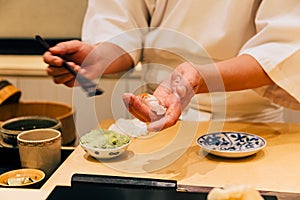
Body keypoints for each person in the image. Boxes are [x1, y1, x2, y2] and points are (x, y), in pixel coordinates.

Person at [43, 0, 300, 132]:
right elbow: (123, 25)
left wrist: (199, 76)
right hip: (152, 113)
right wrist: (99, 56)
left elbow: (281, 48)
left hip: (246, 123)